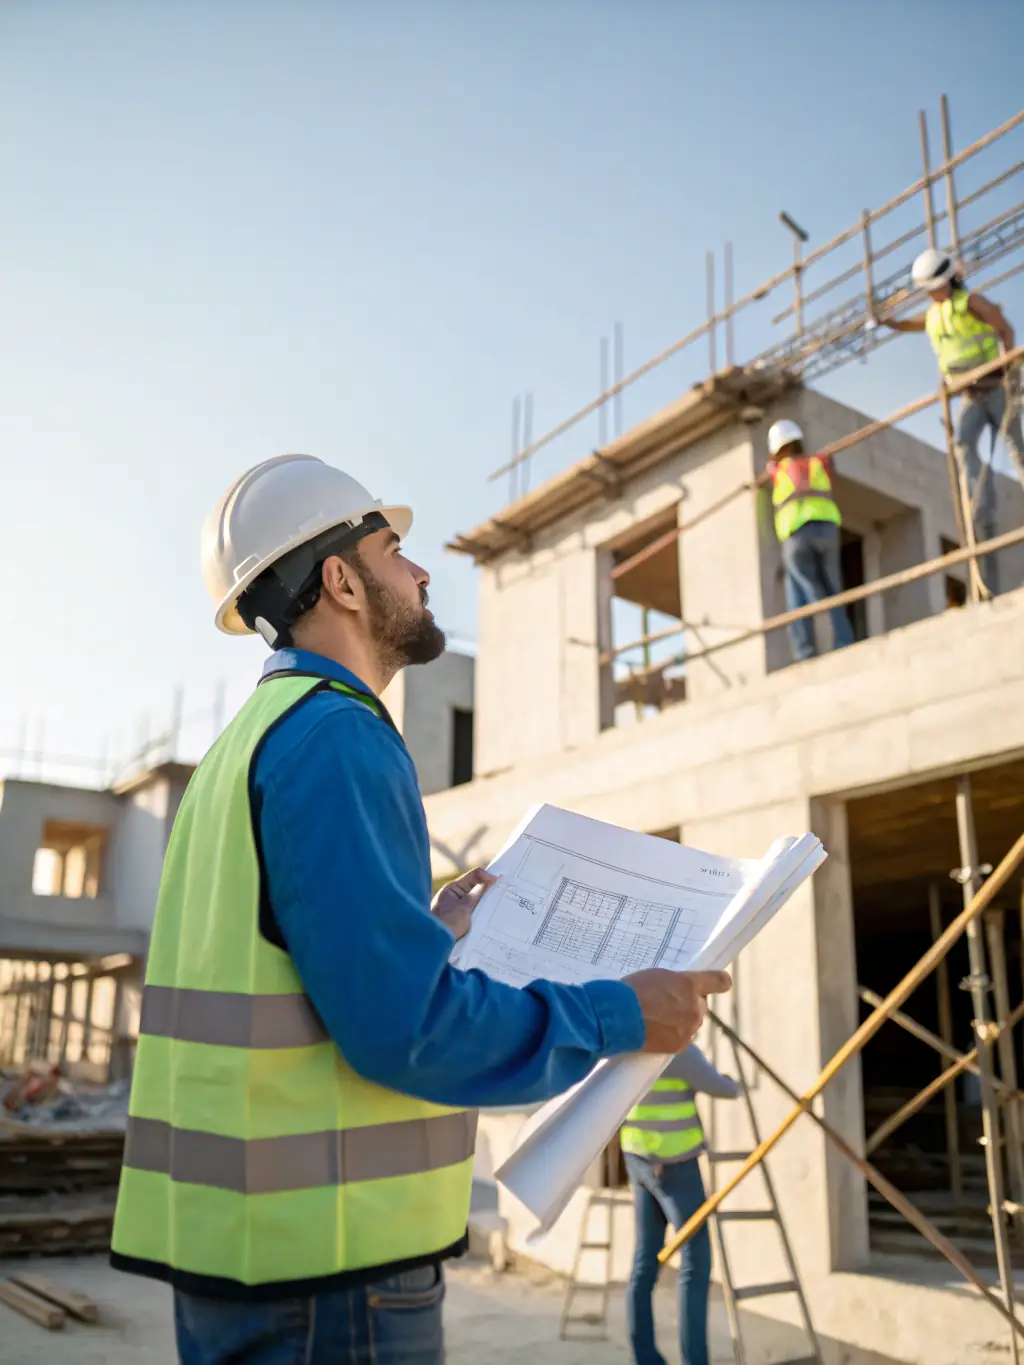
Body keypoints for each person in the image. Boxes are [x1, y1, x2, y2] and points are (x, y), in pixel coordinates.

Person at [109, 453, 732, 1365]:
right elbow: (409, 1030)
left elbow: (290, 976)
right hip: (334, 1275)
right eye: (395, 548)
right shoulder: (337, 738)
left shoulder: (247, 746)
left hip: (252, 1261)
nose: (423, 568)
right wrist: (625, 1010)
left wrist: (418, 930)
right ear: (341, 580)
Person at [883, 248, 1023, 594]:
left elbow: (1005, 328)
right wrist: (888, 309)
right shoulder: (933, 315)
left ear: (947, 281)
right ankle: (980, 501)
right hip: (968, 396)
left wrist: (1011, 368)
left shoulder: (970, 302)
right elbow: (900, 323)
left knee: (1016, 445)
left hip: (995, 387)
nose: (931, 294)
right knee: (962, 442)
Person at [620, 1042, 741, 1365]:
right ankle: (695, 1361)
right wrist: (733, 1081)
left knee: (645, 1263)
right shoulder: (677, 1048)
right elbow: (723, 1088)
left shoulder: (627, 1045)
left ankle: (645, 1358)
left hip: (638, 1158)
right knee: (695, 1262)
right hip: (675, 1164)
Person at [766, 419, 855, 663]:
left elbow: (771, 472)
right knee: (833, 592)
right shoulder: (817, 462)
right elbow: (829, 469)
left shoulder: (779, 470)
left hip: (797, 534)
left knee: (798, 592)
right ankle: (844, 642)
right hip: (827, 530)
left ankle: (805, 653)